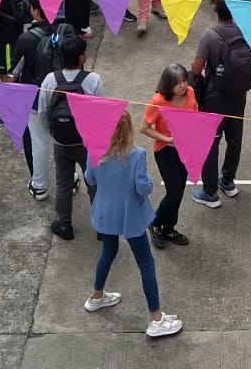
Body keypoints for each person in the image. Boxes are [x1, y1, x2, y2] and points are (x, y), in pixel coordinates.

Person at [84, 109, 184, 339]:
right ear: (127, 129)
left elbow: (90, 179)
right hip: (131, 215)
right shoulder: (136, 154)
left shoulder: (95, 150)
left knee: (108, 251)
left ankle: (96, 295)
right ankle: (156, 318)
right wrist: (148, 181)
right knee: (146, 264)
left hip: (104, 214)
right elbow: (143, 188)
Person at [188, 0, 251, 208]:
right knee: (234, 138)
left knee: (210, 142)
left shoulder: (210, 35)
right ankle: (228, 181)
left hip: (216, 97)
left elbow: (197, 69)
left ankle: (210, 193)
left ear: (216, 9)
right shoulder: (241, 32)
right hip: (239, 95)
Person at [39, 37, 103, 241]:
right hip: (85, 142)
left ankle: (65, 224)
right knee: (94, 182)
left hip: (61, 142)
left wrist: (53, 133)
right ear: (81, 57)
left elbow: (42, 113)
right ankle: (102, 226)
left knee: (63, 183)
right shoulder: (93, 80)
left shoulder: (50, 80)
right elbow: (101, 114)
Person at [141, 64, 198, 248]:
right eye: (177, 83)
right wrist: (167, 139)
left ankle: (169, 228)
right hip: (165, 151)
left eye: (184, 81)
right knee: (173, 192)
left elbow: (195, 113)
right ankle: (155, 223)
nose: (183, 86)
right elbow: (144, 128)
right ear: (168, 85)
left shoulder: (190, 93)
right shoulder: (157, 101)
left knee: (179, 190)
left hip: (185, 148)